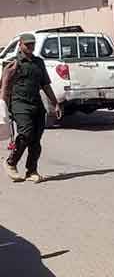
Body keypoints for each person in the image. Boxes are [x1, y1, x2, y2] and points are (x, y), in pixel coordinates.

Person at [2, 33, 62, 183]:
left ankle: (32, 170)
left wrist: (55, 103)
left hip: (36, 104)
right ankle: (11, 163)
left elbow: (46, 85)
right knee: (25, 133)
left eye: (32, 44)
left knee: (36, 139)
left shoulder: (38, 63)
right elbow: (4, 84)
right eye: (27, 44)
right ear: (20, 45)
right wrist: (3, 104)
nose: (30, 47)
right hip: (19, 103)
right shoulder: (13, 63)